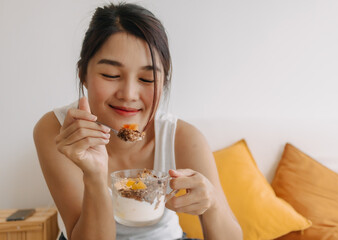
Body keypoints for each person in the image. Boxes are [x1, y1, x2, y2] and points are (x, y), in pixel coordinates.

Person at [33, 2, 243, 240]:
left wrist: (212, 204)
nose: (129, 94)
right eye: (111, 75)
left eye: (146, 78)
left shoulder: (183, 138)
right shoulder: (57, 131)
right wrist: (94, 175)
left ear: (164, 82)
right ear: (83, 74)